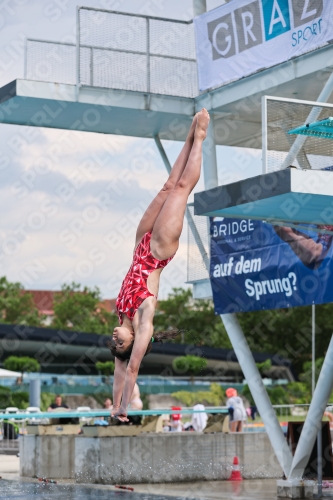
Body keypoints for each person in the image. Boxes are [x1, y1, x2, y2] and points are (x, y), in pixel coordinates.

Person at [110, 109, 210, 422]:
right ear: (131, 344)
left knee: (169, 185)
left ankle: (190, 135)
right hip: (157, 251)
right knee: (181, 190)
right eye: (119, 344)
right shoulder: (142, 323)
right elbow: (131, 369)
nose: (114, 339)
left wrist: (114, 405)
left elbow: (116, 372)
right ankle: (201, 138)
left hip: (140, 243)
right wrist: (126, 406)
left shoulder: (121, 315)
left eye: (115, 343)